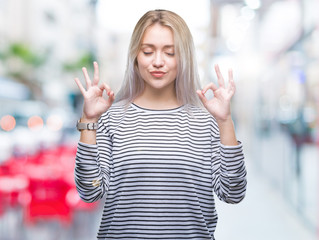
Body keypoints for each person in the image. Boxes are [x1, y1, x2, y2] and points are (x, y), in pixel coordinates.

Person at [74, 9, 247, 240]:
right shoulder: (111, 118)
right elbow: (91, 191)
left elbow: (232, 192)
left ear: (183, 57)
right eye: (148, 51)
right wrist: (89, 121)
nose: (158, 62)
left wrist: (225, 122)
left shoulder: (208, 120)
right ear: (136, 56)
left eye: (170, 52)